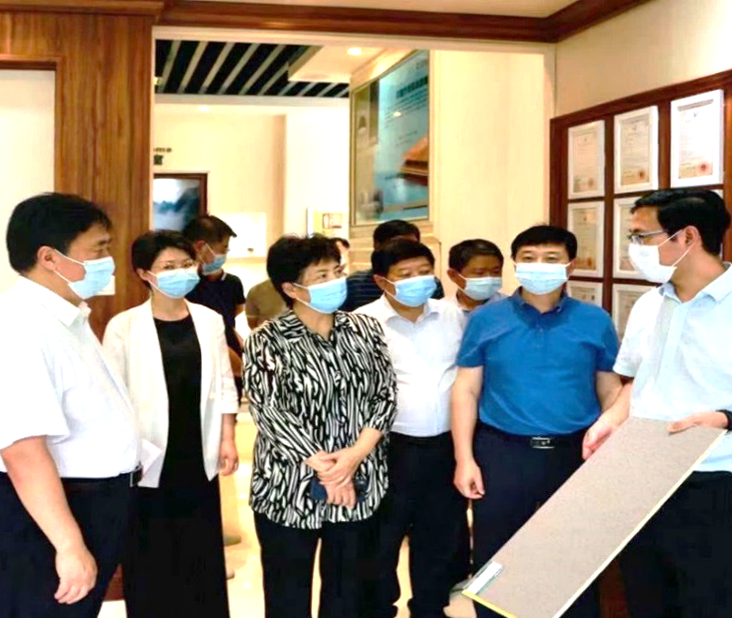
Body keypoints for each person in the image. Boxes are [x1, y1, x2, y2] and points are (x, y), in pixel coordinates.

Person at [581, 189, 732, 618]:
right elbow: (638, 380)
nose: (634, 249)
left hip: (716, 489)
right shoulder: (649, 304)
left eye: (642, 237)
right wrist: (613, 417)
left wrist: (726, 419)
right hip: (641, 477)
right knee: (645, 602)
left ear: (688, 237)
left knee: (712, 608)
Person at [0, 193, 138, 618]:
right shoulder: (16, 329)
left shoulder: (66, 318)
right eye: (98, 249)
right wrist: (69, 545)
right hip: (47, 516)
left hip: (87, 504)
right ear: (49, 257)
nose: (108, 261)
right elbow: (23, 451)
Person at [451, 225, 622, 618]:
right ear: (515, 264)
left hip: (575, 452)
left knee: (575, 558)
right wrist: (464, 458)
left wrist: (613, 450)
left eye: (551, 258)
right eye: (528, 258)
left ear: (570, 266)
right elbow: (466, 390)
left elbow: (610, 389)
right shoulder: (486, 319)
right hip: (503, 452)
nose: (539, 266)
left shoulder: (594, 320)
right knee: (497, 560)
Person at [243, 234, 398, 618]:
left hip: (359, 481)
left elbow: (385, 395)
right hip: (289, 487)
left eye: (337, 271)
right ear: (290, 288)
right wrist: (330, 471)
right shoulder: (267, 341)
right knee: (287, 594)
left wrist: (354, 457)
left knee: (347, 592)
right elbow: (270, 412)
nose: (335, 281)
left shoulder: (365, 329)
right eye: (321, 276)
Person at [102, 231, 239, 618]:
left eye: (186, 264)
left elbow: (224, 383)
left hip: (199, 450)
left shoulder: (209, 320)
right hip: (148, 456)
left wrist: (228, 437)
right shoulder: (124, 327)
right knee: (152, 555)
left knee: (201, 552)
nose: (181, 272)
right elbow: (112, 397)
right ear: (144, 274)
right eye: (168, 266)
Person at [355, 240, 467, 618]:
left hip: (446, 447)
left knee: (439, 537)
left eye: (423, 271)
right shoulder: (361, 323)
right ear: (382, 281)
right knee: (382, 539)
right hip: (388, 449)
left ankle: (430, 609)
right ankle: (379, 609)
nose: (417, 280)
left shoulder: (453, 315)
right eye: (405, 274)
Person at [184, 215, 245, 387]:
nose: (224, 255)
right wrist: (246, 372)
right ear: (201, 247)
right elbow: (211, 342)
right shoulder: (188, 287)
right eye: (223, 249)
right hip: (212, 377)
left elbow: (228, 323)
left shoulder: (219, 282)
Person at [340, 220, 444, 311]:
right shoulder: (355, 284)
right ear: (377, 246)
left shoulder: (430, 283)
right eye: (405, 275)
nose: (406, 251)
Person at [446, 239, 506, 317]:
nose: (489, 278)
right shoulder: (440, 312)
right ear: (453, 275)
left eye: (495, 272)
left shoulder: (513, 309)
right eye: (479, 273)